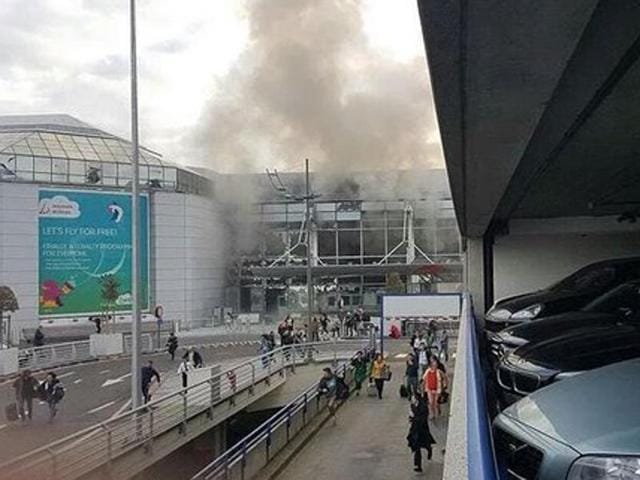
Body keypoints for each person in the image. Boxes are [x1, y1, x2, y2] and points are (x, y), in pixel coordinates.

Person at [407, 393, 436, 473]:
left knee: (425, 443)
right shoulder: (413, 405)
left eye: (413, 398)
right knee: (417, 447)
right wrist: (411, 418)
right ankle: (418, 465)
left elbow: (423, 418)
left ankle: (429, 449)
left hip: (422, 429)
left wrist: (414, 418)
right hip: (415, 429)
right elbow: (411, 415)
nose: (412, 399)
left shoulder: (423, 406)